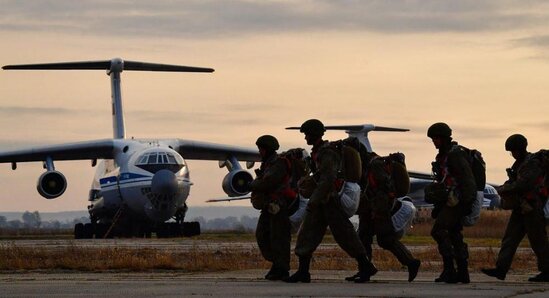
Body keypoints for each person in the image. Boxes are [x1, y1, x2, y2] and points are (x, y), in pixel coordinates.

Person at [284, 119, 377, 283]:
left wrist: (313, 200)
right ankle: (303, 271)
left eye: (307, 134)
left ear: (314, 134)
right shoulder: (318, 152)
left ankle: (365, 266)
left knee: (346, 235)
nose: (305, 137)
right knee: (306, 234)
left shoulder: (327, 153)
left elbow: (327, 179)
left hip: (330, 201)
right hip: (322, 201)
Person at [481, 134, 549, 282]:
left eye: (513, 151)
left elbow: (524, 184)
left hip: (532, 208)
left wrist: (504, 188)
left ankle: (547, 270)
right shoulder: (520, 164)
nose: (512, 155)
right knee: (510, 238)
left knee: (538, 241)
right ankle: (501, 269)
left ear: (519, 149)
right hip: (521, 207)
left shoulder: (532, 163)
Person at [352, 150, 421, 282]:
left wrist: (378, 209)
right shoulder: (368, 165)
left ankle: (411, 262)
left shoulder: (375, 165)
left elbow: (384, 186)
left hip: (380, 208)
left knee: (386, 239)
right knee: (363, 237)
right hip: (370, 207)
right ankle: (364, 270)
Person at [426, 122, 476, 284]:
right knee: (454, 235)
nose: (434, 141)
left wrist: (467, 203)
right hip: (450, 201)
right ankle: (462, 272)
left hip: (458, 202)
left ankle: (450, 270)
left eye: (436, 138)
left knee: (438, 231)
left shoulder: (455, 155)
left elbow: (467, 180)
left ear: (444, 138)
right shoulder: (444, 155)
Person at [249, 135, 293, 280]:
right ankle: (277, 264)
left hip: (278, 206)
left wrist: (250, 184)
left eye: (261, 149)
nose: (259, 152)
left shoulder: (278, 164)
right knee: (262, 235)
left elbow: (267, 183)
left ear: (267, 149)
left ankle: (282, 268)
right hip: (269, 206)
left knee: (279, 238)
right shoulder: (267, 164)